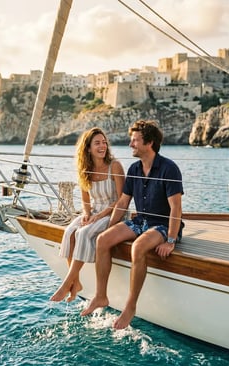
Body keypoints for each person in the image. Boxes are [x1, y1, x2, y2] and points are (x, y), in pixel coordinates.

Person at [81, 120, 183, 329]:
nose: (130, 145)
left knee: (138, 248)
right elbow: (123, 202)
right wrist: (109, 226)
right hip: (140, 221)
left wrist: (171, 240)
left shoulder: (169, 169)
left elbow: (175, 209)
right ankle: (101, 295)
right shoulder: (134, 168)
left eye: (135, 140)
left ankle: (130, 306)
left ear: (149, 143)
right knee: (103, 240)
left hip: (162, 225)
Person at [50, 127, 125, 302]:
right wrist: (86, 214)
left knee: (83, 233)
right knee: (70, 232)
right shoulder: (85, 169)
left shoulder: (115, 166)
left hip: (114, 213)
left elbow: (122, 199)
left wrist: (98, 217)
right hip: (95, 212)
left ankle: (66, 282)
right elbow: (85, 200)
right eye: (97, 143)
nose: (103, 146)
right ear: (88, 148)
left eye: (104, 142)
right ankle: (76, 282)